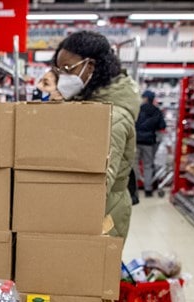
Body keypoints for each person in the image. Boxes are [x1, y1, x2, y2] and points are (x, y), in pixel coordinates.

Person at [53, 31, 140, 239]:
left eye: (68, 69)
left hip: (103, 216)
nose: (62, 76)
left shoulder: (113, 116)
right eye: (59, 70)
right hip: (91, 213)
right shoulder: (90, 102)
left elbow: (99, 183)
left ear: (90, 66)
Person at [135, 89, 167, 197]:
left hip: (136, 141)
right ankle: (148, 189)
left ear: (145, 98)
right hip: (149, 142)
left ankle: (134, 188)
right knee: (148, 165)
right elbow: (162, 126)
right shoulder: (156, 111)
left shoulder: (138, 109)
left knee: (133, 164)